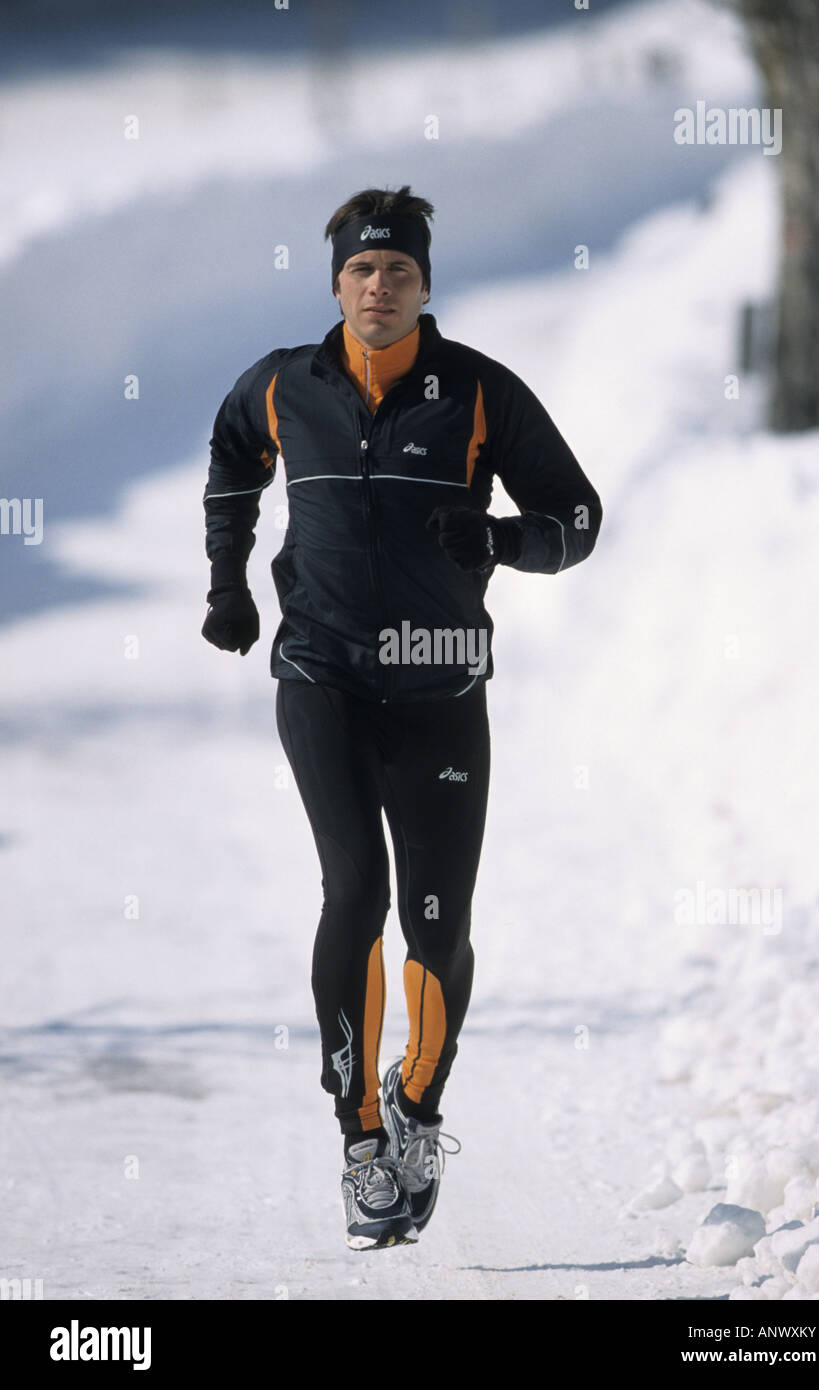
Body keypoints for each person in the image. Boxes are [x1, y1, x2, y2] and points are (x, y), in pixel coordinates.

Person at [201, 185, 602, 1250]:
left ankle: (417, 1102)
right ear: (334, 281)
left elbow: (576, 517)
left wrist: (501, 543)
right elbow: (231, 460)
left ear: (425, 284)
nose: (379, 287)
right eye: (361, 270)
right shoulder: (285, 383)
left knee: (437, 924)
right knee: (355, 890)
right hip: (321, 675)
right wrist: (226, 585)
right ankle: (359, 1133)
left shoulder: (475, 390)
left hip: (440, 683)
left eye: (400, 272)